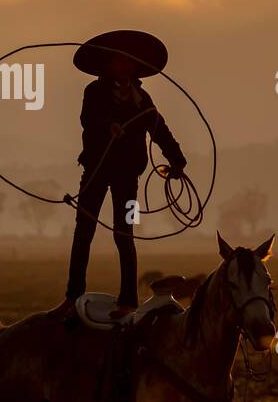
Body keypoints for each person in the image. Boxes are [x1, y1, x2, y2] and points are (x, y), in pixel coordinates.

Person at [47, 30, 186, 320]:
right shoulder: (94, 92)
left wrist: (177, 161)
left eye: (128, 61)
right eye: (118, 60)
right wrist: (108, 126)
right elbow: (88, 120)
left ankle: (128, 301)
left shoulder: (142, 99)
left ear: (134, 66)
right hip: (96, 170)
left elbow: (159, 130)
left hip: (128, 175)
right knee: (83, 232)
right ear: (109, 64)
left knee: (124, 234)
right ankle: (72, 297)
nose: (124, 65)